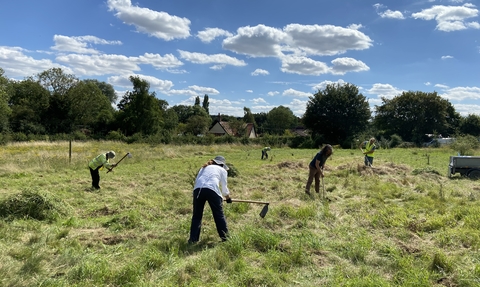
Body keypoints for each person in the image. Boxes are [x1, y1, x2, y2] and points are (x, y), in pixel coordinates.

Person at [189, 155, 232, 243]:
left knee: (197, 216)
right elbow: (224, 189)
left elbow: (197, 181)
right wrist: (228, 198)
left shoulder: (204, 168)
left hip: (198, 191)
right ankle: (225, 238)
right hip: (212, 190)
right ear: (222, 165)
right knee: (218, 215)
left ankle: (193, 240)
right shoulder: (222, 170)